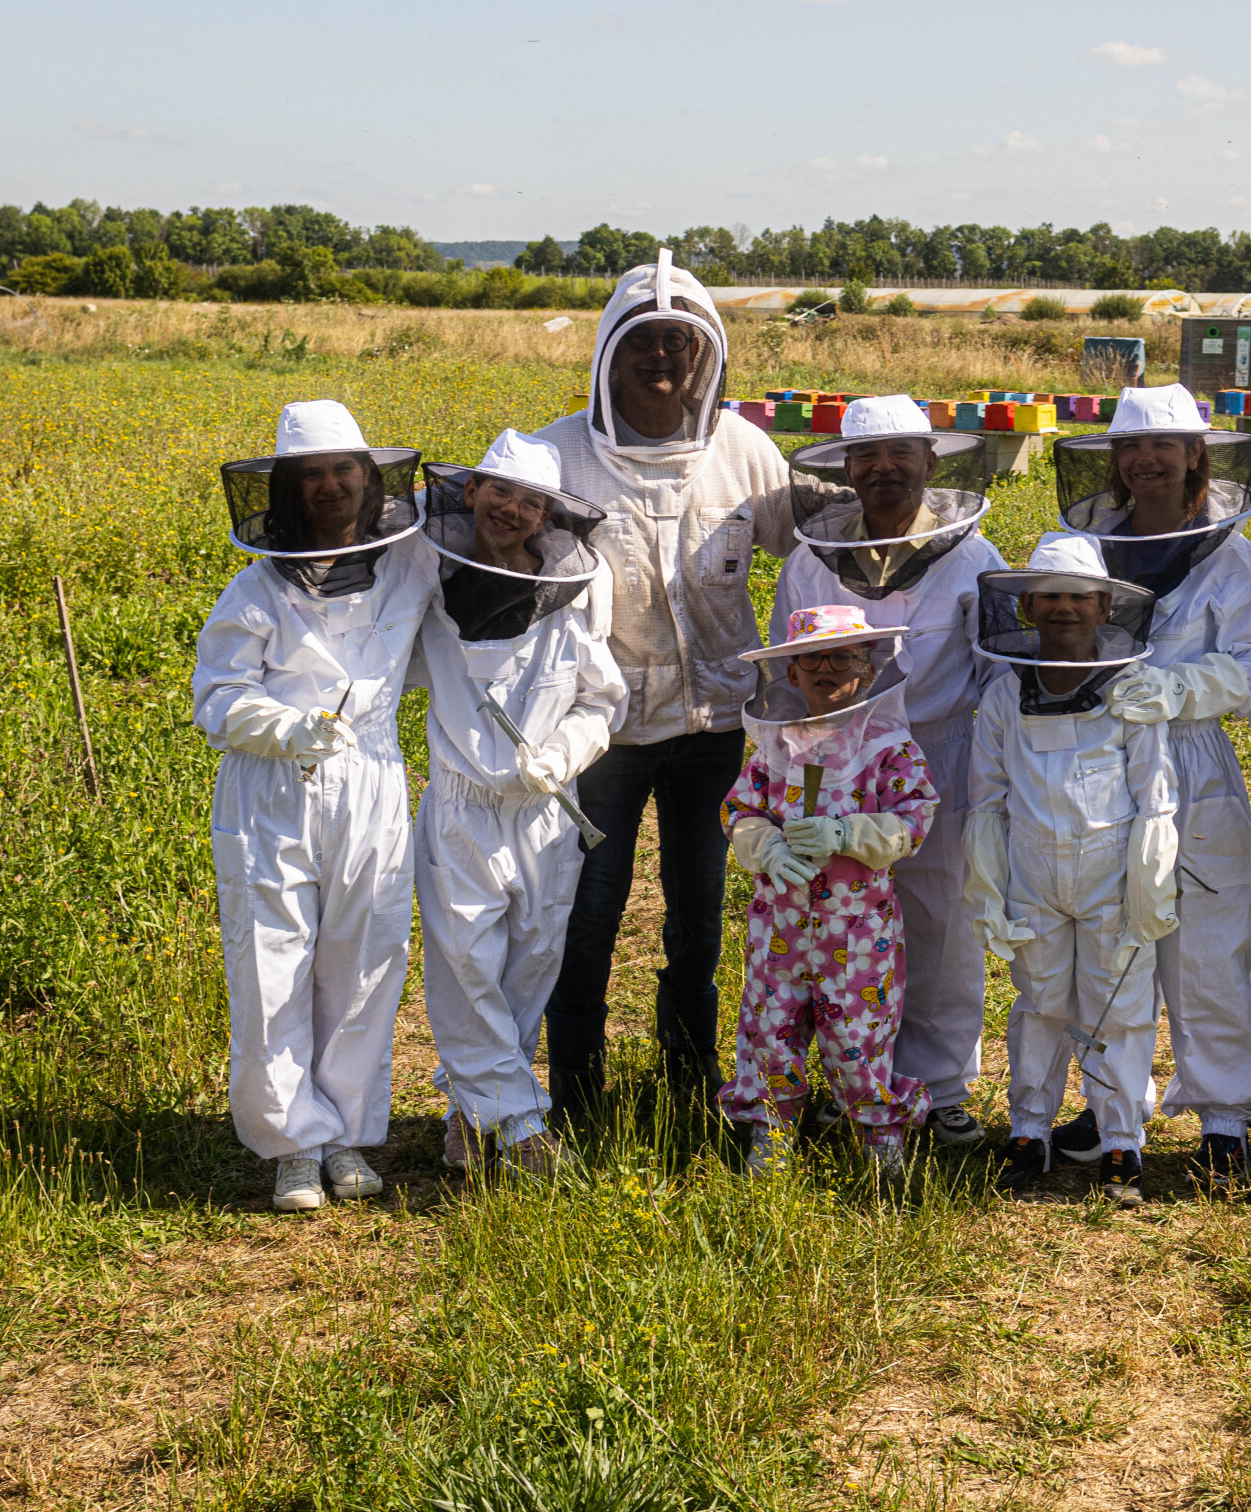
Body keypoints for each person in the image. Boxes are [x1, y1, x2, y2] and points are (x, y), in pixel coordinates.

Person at [537, 250, 796, 1113]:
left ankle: (690, 1081)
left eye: (679, 344)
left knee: (701, 918)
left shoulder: (744, 451)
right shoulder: (559, 455)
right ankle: (575, 1092)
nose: (662, 359)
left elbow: (813, 560)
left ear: (708, 355)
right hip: (599, 731)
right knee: (588, 912)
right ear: (610, 351)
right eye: (644, 341)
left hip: (717, 728)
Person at [192, 399, 437, 1212]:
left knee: (364, 958)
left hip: (370, 775)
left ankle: (347, 1134)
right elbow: (217, 700)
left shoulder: (410, 566)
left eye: (344, 470)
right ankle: (293, 1145)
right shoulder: (253, 588)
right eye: (313, 475)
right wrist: (287, 726)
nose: (330, 486)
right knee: (270, 963)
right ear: (288, 490)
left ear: (370, 480)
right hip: (272, 790)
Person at [1051, 384, 1251, 1190]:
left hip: (1190, 765)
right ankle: (1116, 1098)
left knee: (1207, 940)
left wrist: (1181, 691)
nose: (1146, 460)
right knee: (1105, 937)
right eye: (1130, 447)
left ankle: (1224, 1114)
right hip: (1097, 765)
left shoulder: (1229, 556)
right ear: (1112, 460)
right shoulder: (1082, 544)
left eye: (1164, 446)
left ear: (1195, 455)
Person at [769, 394, 1005, 1149]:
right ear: (846, 468)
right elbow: (782, 672)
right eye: (867, 457)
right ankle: (851, 1080)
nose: (885, 468)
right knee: (838, 923)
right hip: (833, 762)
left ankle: (938, 1086)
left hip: (939, 752)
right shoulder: (811, 562)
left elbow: (999, 673)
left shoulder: (974, 557)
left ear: (931, 462)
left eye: (901, 453)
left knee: (940, 919)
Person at [409, 430, 628, 1179]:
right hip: (462, 811)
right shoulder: (431, 589)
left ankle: (470, 1119)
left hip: (546, 815)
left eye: (528, 500)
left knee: (529, 967)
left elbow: (605, 701)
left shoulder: (568, 600)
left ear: (545, 515)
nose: (511, 508)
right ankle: (526, 1131)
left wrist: (560, 756)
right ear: (470, 493)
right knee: (466, 970)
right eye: (499, 491)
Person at [968, 534, 1179, 1207]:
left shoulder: (1129, 690)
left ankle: (1121, 1141)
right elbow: (987, 797)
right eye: (1051, 596)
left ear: (1103, 606)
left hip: (1112, 878)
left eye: (1078, 597)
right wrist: (988, 888)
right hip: (1034, 877)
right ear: (1027, 606)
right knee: (1041, 1003)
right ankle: (1029, 1129)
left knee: (1117, 1006)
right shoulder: (1004, 694)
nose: (1064, 608)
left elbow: (1156, 797)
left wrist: (1149, 884)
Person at [718, 605, 938, 1176]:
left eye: (842, 657)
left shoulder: (888, 746)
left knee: (858, 1032)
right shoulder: (775, 747)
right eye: (811, 657)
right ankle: (771, 1129)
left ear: (867, 670)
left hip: (858, 926)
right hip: (780, 924)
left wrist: (846, 833)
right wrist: (764, 846)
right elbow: (739, 810)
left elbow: (914, 820)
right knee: (770, 1024)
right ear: (790, 674)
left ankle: (877, 1132)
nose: (825, 668)